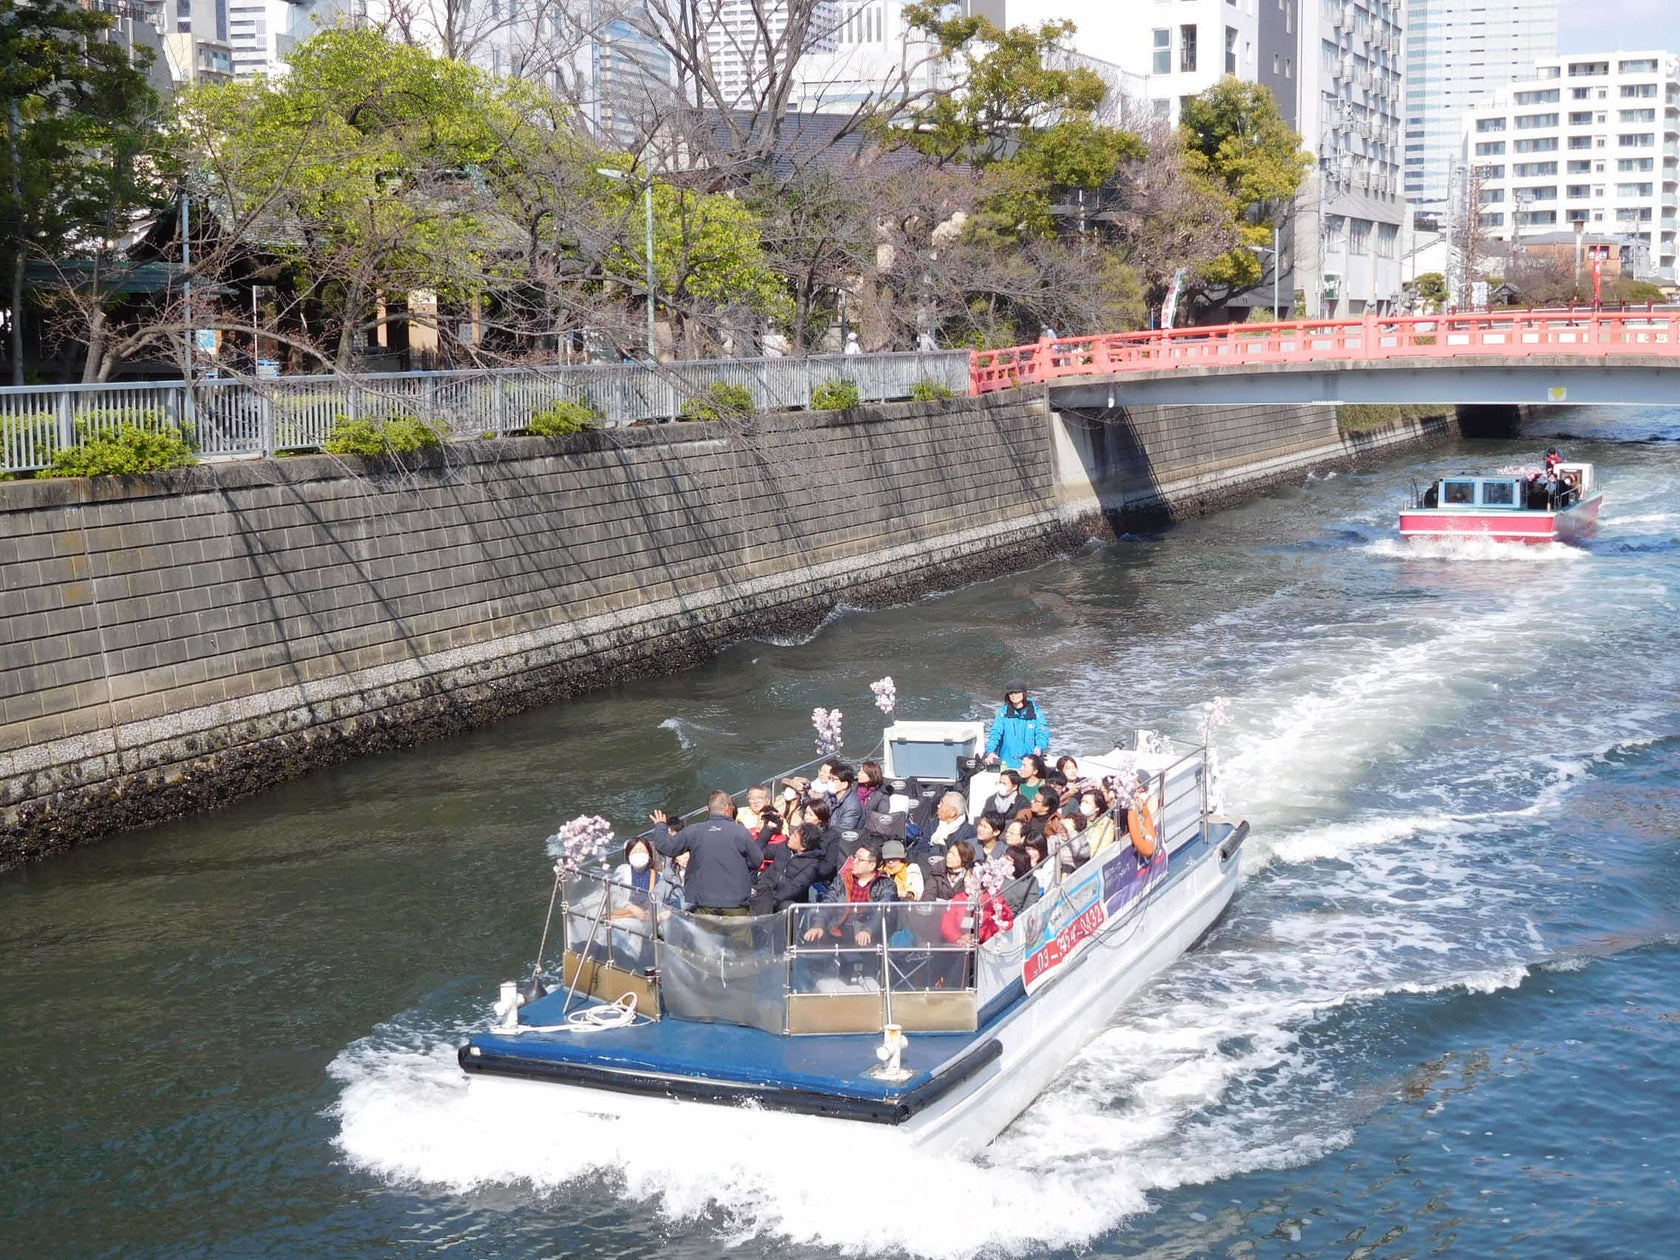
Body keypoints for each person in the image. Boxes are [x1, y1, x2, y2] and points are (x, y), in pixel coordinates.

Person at [652, 790, 764, 915]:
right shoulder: (740, 832)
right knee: (738, 934)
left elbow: (666, 846)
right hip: (735, 901)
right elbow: (757, 860)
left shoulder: (694, 831)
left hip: (703, 901)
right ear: (728, 808)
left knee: (706, 934)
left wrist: (661, 826)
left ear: (707, 809)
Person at [753, 821, 826, 913]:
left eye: (795, 837)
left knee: (787, 907)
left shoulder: (812, 864)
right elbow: (759, 851)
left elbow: (795, 887)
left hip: (785, 899)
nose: (790, 837)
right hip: (766, 889)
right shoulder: (784, 847)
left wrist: (774, 900)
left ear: (803, 847)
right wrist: (769, 829)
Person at [984, 684, 1050, 771]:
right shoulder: (1003, 713)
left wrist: (1039, 747)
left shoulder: (1036, 713)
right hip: (1007, 762)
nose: (1013, 695)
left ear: (1024, 693)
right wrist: (990, 751)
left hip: (1030, 763)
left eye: (1017, 692)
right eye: (1011, 693)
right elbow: (995, 734)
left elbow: (1042, 732)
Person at [924, 791, 977, 859]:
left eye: (942, 804)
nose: (938, 806)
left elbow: (965, 856)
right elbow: (921, 849)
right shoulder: (933, 825)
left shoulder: (969, 832)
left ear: (953, 812)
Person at [828, 763, 865, 835]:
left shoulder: (852, 806)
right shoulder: (831, 795)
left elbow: (842, 831)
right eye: (829, 778)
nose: (830, 782)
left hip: (842, 840)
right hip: (829, 833)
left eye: (834, 779)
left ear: (844, 784)